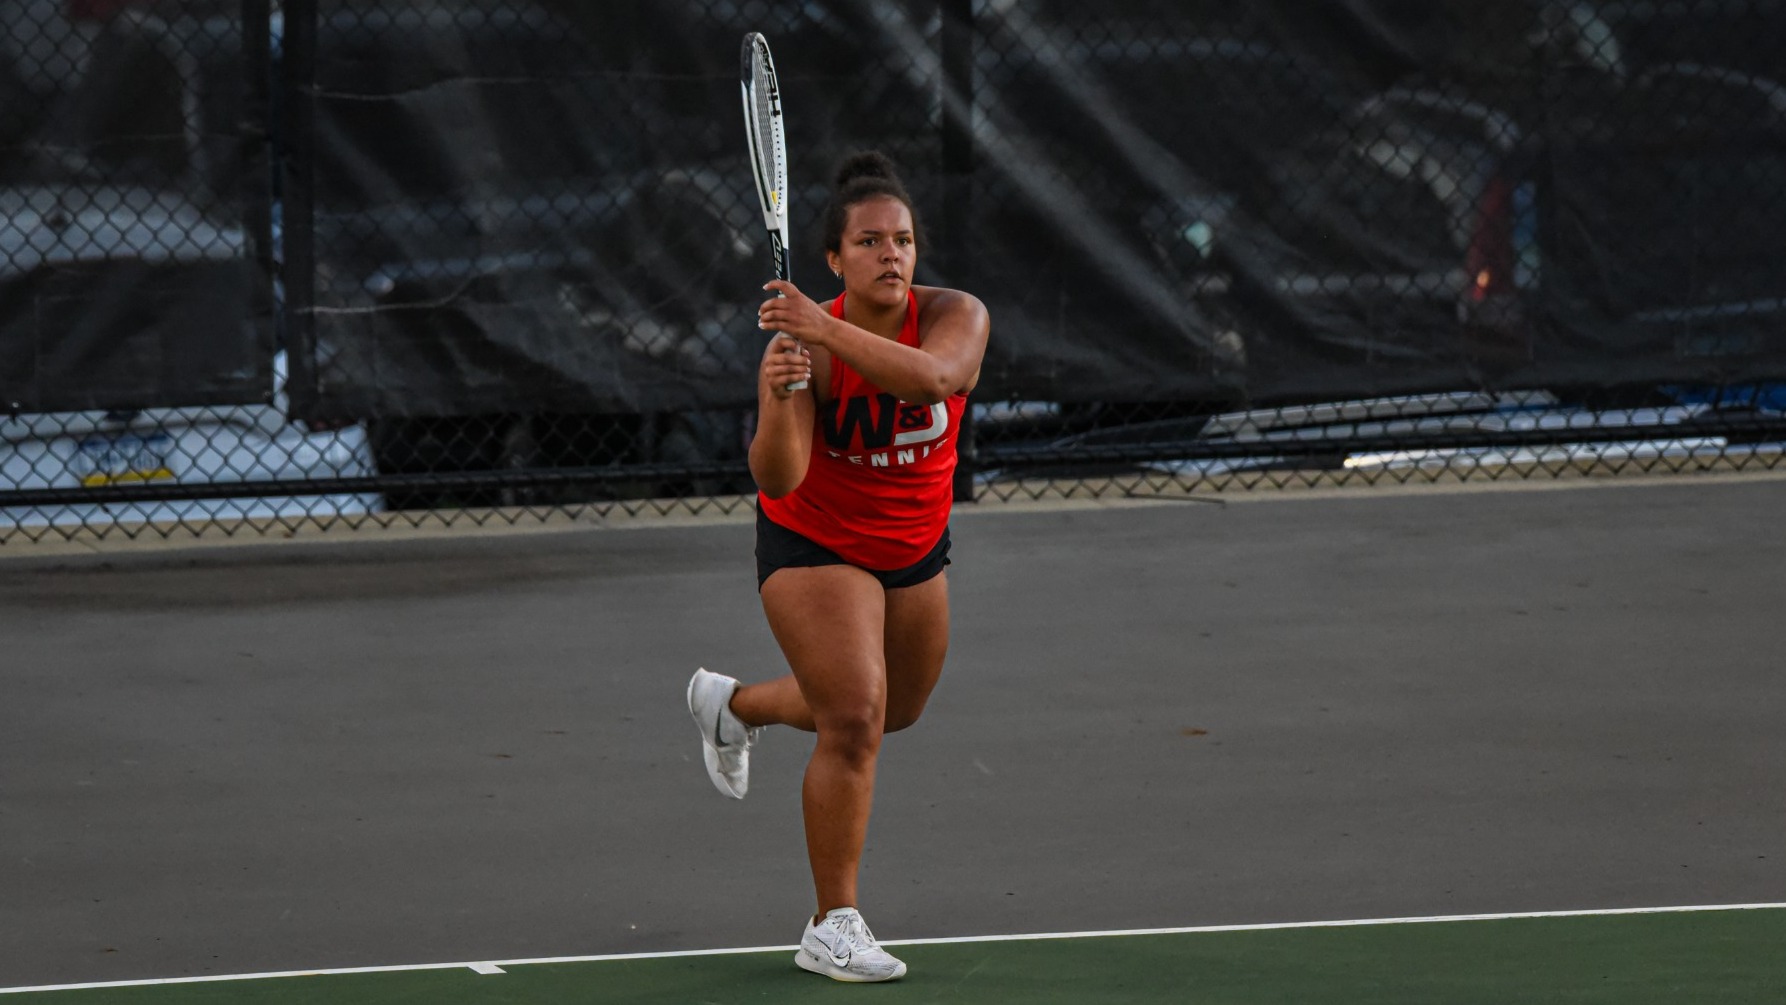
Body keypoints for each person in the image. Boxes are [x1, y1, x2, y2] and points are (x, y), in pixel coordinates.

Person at [686, 150, 989, 983]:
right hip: (815, 542)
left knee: (897, 710)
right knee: (854, 713)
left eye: (903, 239)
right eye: (868, 241)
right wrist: (782, 388)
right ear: (834, 258)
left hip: (914, 548)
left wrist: (823, 331)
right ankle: (832, 923)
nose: (891, 253)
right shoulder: (801, 346)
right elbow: (777, 475)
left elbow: (936, 378)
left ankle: (733, 705)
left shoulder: (956, 314)